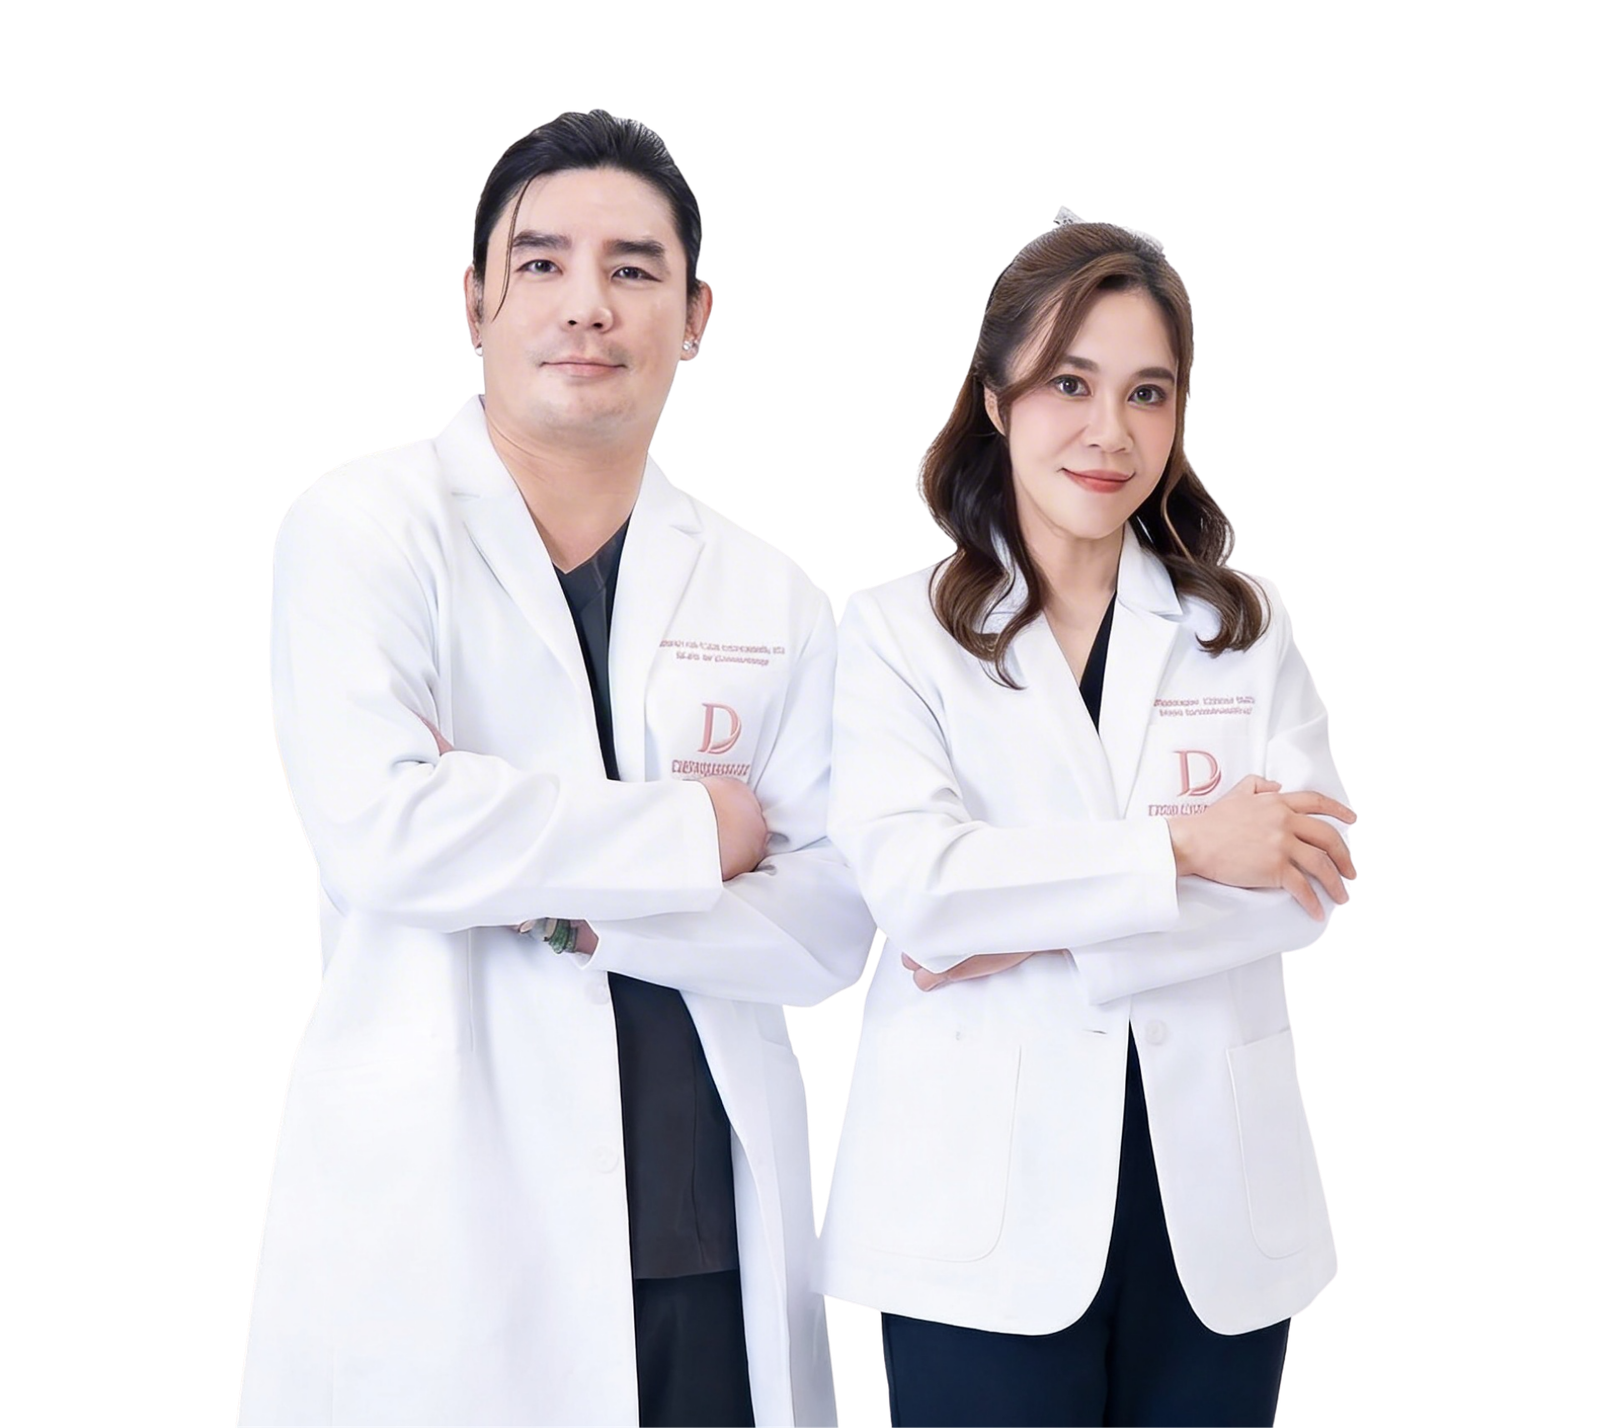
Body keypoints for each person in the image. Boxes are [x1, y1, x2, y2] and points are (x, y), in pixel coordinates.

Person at [238, 109, 875, 1427]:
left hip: (704, 1245)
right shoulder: (360, 528)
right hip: (444, 1236)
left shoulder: (771, 591)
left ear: (694, 317)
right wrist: (702, 835)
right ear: (476, 303)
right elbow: (387, 834)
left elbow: (828, 927)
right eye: (541, 264)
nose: (588, 304)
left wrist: (549, 898)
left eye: (634, 269)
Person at [814, 213, 1357, 1427]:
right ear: (994, 397)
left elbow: (1309, 880)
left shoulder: (1244, 621)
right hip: (976, 1207)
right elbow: (918, 888)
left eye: (1146, 392)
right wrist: (1187, 849)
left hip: (1210, 1206)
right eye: (1069, 383)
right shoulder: (892, 631)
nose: (1110, 431)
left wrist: (1022, 923)